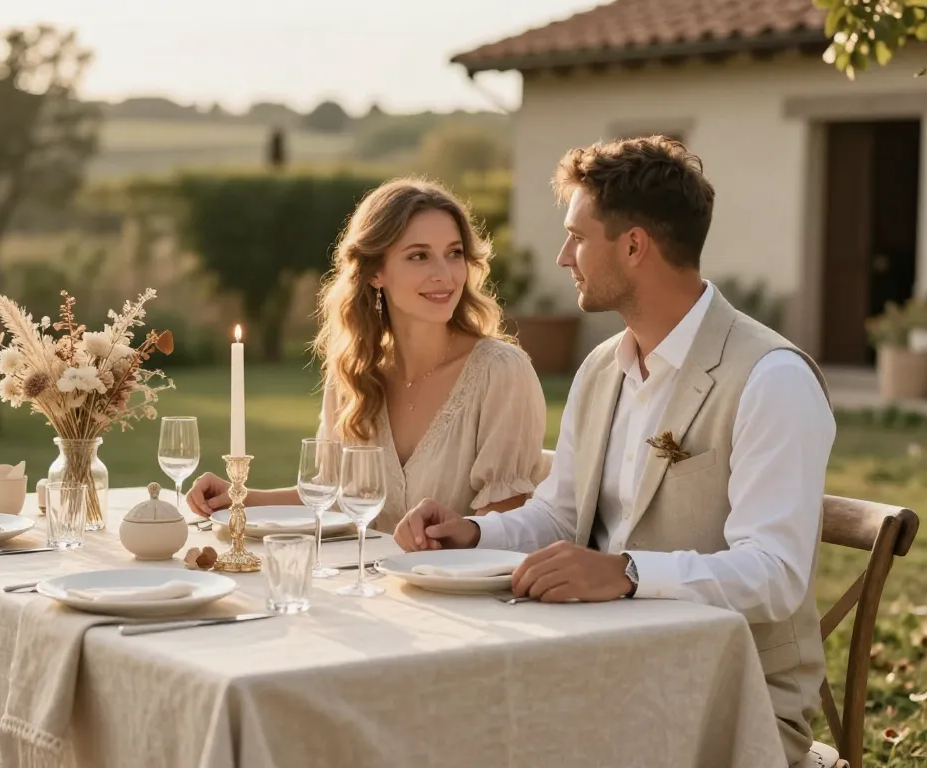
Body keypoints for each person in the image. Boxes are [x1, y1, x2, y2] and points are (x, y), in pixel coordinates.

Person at [393, 137, 836, 766]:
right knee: (443, 715)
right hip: (598, 669)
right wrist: (473, 532)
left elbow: (774, 576)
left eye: (577, 236)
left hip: (733, 705)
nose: (563, 256)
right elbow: (559, 514)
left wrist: (625, 572)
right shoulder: (603, 367)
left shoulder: (771, 378)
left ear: (633, 246)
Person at [188, 177, 548, 533]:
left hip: (461, 588)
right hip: (369, 585)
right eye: (419, 256)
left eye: (454, 253)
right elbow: (325, 497)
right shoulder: (353, 373)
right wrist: (239, 497)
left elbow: (505, 521)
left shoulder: (500, 373)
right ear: (376, 271)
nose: (445, 275)